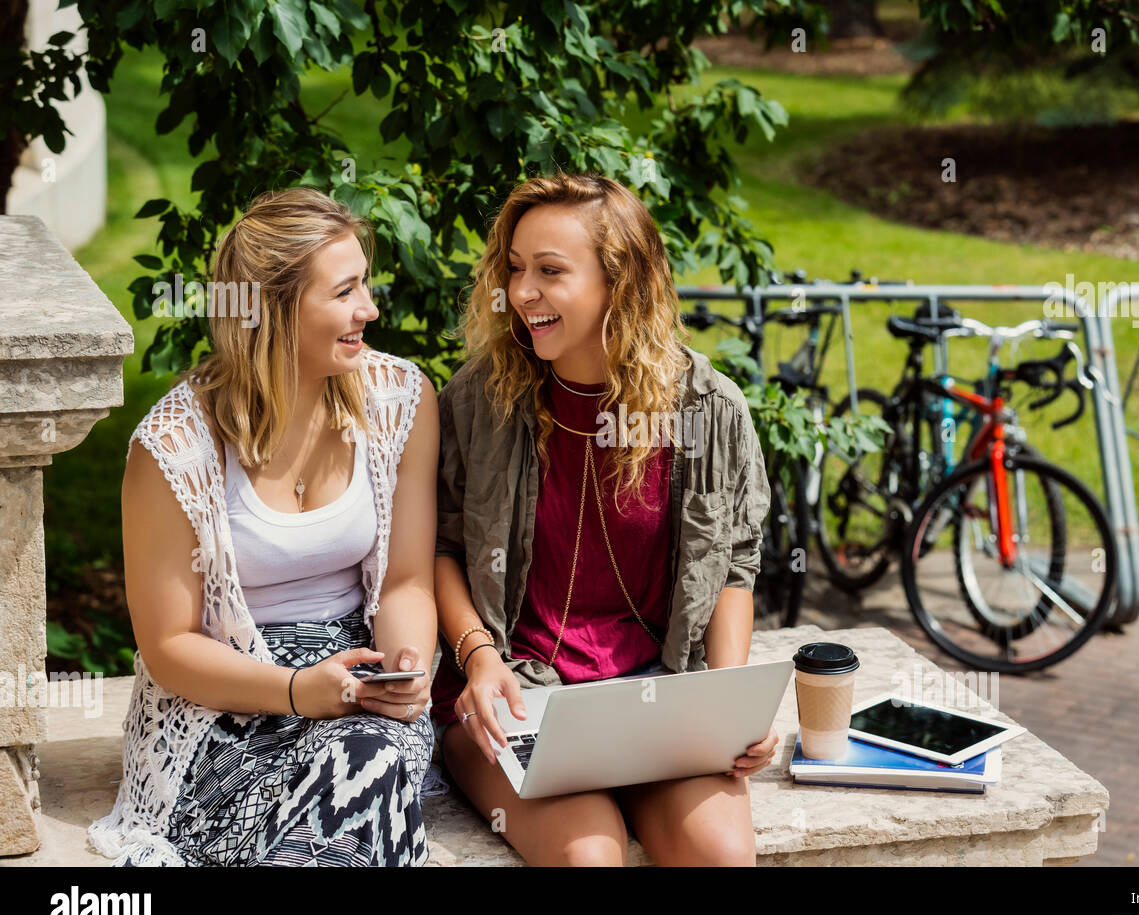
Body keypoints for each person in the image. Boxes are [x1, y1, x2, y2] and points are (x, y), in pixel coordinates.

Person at [428, 171, 776, 866]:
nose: (523, 293)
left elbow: (735, 562)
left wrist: (724, 711)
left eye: (551, 272)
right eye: (517, 269)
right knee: (590, 857)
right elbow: (438, 548)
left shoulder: (709, 409)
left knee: (721, 854)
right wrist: (480, 659)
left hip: (658, 696)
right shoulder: (478, 400)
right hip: (518, 696)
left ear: (619, 282)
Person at [88, 187, 442, 866]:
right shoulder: (173, 448)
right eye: (344, 292)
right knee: (364, 780)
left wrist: (405, 669)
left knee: (369, 756)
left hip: (354, 681)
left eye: (363, 284)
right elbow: (168, 647)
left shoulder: (400, 399)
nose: (368, 309)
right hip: (219, 706)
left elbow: (404, 582)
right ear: (275, 312)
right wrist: (294, 691)